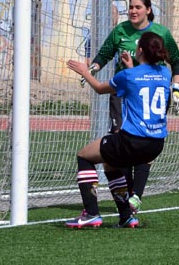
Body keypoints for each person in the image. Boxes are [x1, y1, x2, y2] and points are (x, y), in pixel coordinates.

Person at [83, 0, 179, 214]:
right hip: (123, 91)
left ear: (148, 9)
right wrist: (94, 67)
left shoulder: (161, 33)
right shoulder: (120, 31)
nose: (133, 11)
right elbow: (105, 53)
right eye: (130, 7)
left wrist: (176, 89)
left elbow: (176, 62)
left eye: (138, 7)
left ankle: (129, 199)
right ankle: (132, 197)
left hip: (140, 89)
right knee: (129, 141)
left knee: (132, 142)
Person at [66, 31, 172, 228]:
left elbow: (99, 88)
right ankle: (126, 217)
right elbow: (145, 80)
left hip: (132, 141)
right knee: (110, 164)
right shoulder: (165, 74)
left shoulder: (127, 75)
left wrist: (84, 71)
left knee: (85, 156)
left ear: (139, 50)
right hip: (156, 144)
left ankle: (91, 213)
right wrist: (132, 66)